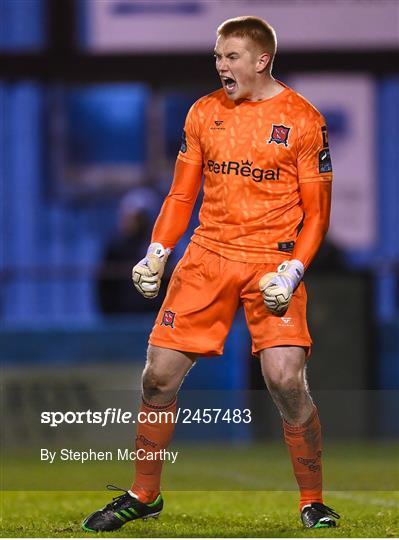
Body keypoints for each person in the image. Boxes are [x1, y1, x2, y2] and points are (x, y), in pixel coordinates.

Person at [82, 16, 340, 532]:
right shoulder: (203, 113)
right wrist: (157, 250)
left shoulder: (304, 120)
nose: (222, 66)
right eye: (218, 56)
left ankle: (311, 500)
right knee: (157, 377)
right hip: (207, 257)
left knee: (286, 381)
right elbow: (182, 194)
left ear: (262, 60)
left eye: (232, 57)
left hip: (272, 258)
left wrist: (291, 272)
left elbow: (317, 214)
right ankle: (143, 494)